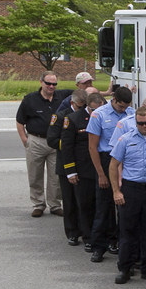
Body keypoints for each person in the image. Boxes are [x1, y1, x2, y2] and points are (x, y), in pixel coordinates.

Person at [109, 106, 146, 285]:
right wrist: (116, 191)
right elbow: (113, 165)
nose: (144, 126)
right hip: (131, 189)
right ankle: (125, 268)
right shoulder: (125, 139)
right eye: (140, 123)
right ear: (136, 122)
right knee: (127, 231)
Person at [87, 86, 134, 263]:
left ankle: (119, 243)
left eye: (125, 107)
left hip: (126, 160)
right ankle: (98, 246)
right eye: (120, 106)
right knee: (104, 206)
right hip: (106, 159)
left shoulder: (131, 113)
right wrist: (101, 174)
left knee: (124, 206)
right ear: (113, 99)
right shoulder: (98, 115)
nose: (123, 110)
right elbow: (92, 147)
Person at [16, 71, 73, 217]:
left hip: (54, 142)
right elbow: (20, 121)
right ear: (41, 82)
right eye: (48, 83)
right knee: (35, 175)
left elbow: (85, 93)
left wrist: (109, 91)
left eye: (54, 84)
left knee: (55, 176)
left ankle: (55, 205)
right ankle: (38, 204)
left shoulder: (63, 96)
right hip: (36, 141)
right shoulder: (30, 99)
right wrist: (25, 140)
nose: (51, 86)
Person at [61, 92, 106, 252]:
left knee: (100, 205)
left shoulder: (105, 117)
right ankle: (88, 237)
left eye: (99, 110)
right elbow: (66, 147)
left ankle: (103, 237)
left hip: (102, 168)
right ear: (88, 106)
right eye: (94, 110)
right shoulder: (73, 119)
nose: (97, 114)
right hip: (83, 169)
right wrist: (71, 171)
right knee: (85, 205)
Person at [47, 89, 88, 245]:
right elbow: (52, 140)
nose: (81, 109)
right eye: (79, 106)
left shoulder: (86, 115)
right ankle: (72, 232)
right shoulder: (59, 116)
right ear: (72, 103)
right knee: (69, 201)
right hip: (66, 163)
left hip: (83, 164)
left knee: (83, 201)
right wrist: (70, 145)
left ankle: (86, 231)